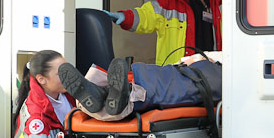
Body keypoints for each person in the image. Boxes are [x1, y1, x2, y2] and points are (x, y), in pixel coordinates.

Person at [58, 54, 221, 120]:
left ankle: (102, 92)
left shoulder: (225, 75)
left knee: (162, 84)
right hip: (191, 74)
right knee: (160, 82)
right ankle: (107, 93)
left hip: (204, 79)